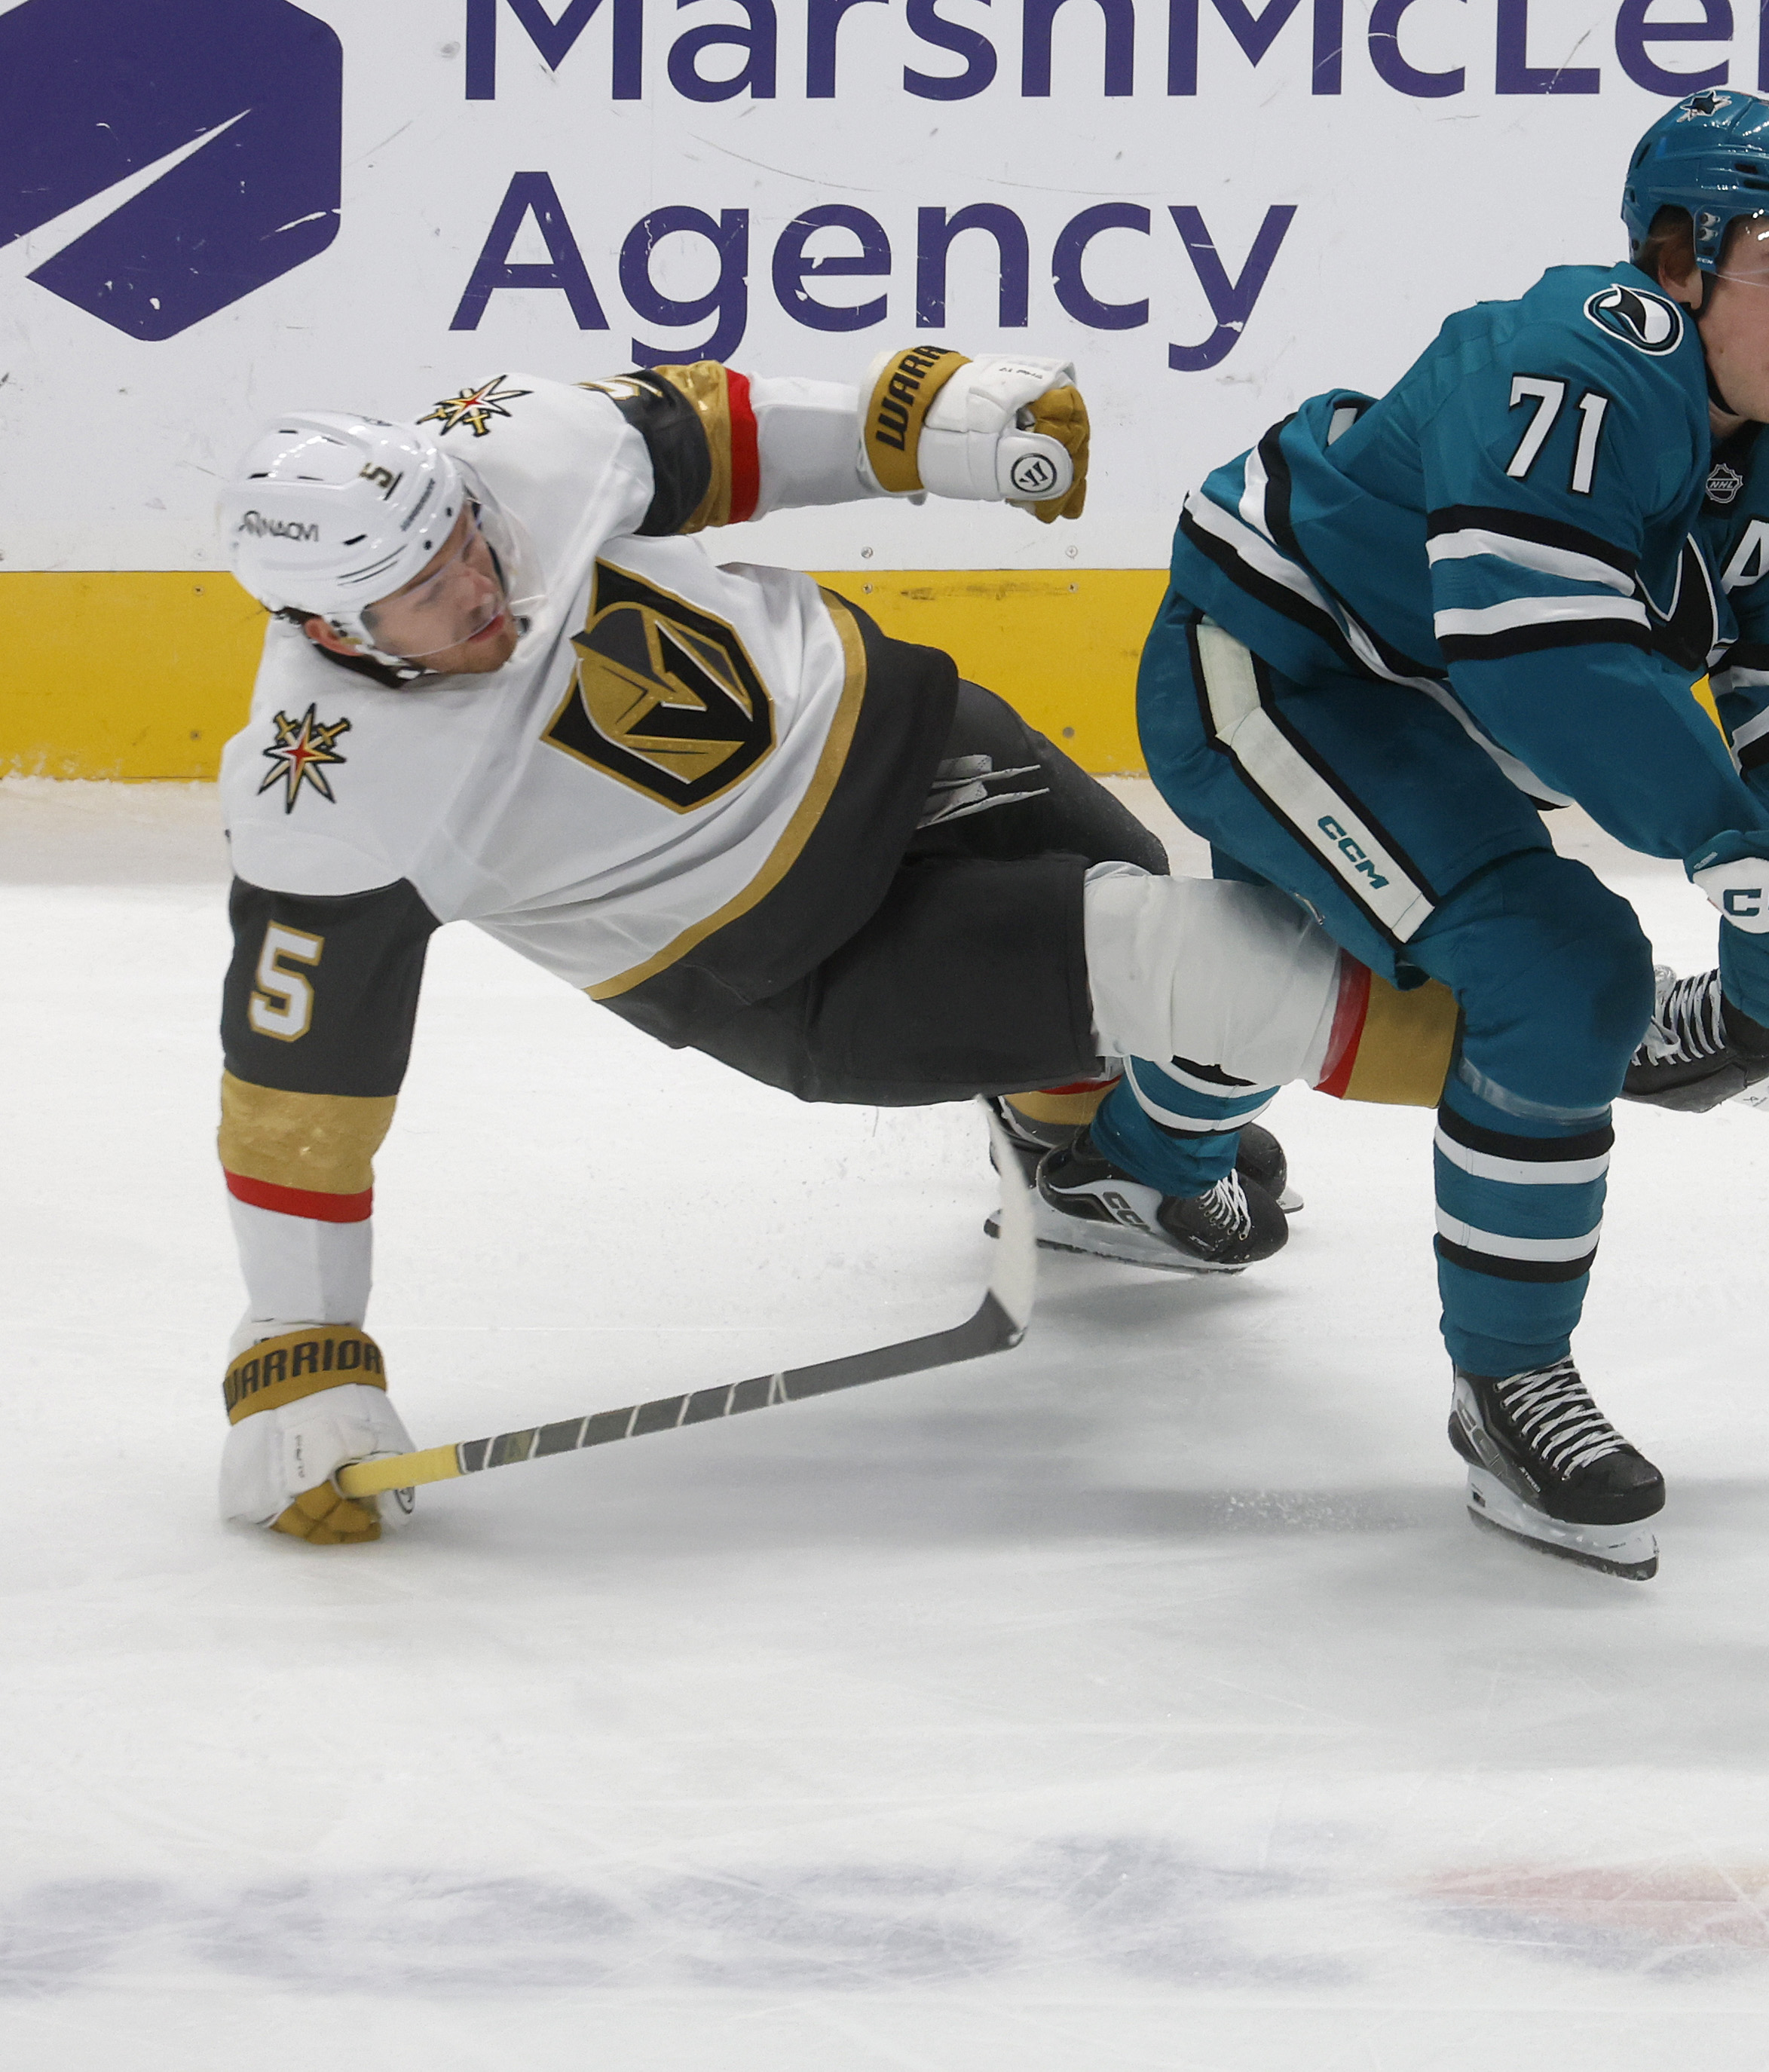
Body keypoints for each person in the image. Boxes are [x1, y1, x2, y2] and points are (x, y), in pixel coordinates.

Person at [212, 350, 1463, 1545]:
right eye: (425, 593)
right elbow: (296, 1103)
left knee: (1129, 889)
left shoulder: (511, 449)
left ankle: (1085, 1160)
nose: (477, 583)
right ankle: (1548, 1057)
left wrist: (926, 424)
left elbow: (721, 434)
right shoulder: (327, 800)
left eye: (465, 541)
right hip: (794, 959)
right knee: (1211, 972)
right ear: (336, 631)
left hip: (912, 736)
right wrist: (298, 1352)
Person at [1050, 90, 1769, 1581]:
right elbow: (1541, 658)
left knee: (1309, 957)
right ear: (1676, 255)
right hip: (1273, 667)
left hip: (1416, 721)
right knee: (1561, 975)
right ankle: (1510, 1382)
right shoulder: (1568, 359)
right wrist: (1748, 857)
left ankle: (1130, 1162)